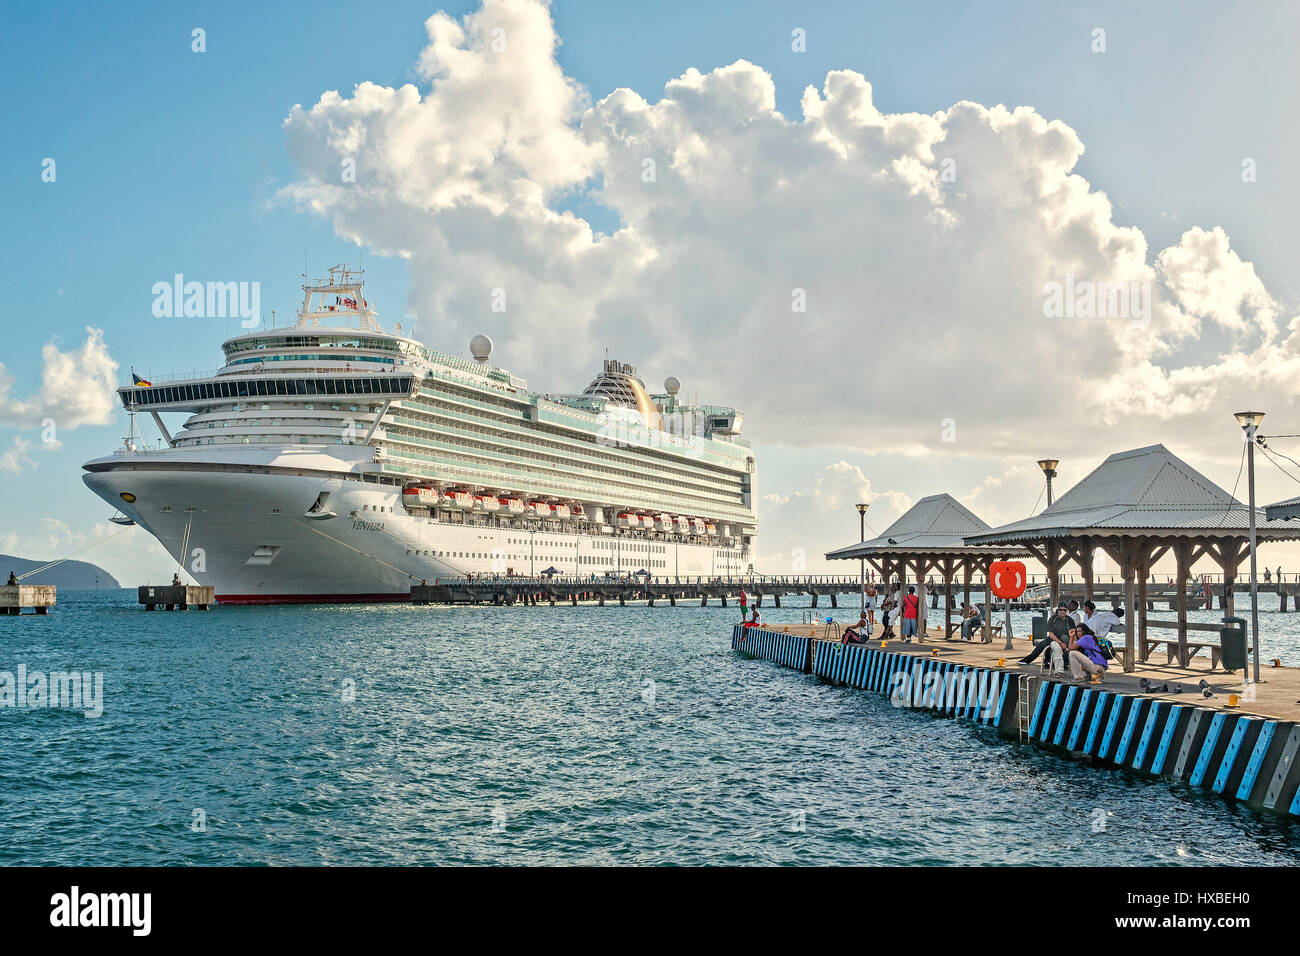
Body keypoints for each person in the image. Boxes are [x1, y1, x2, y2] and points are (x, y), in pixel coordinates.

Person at [1019, 603, 1072, 670]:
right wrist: (1060, 643)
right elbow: (1051, 634)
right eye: (1060, 610)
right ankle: (1030, 659)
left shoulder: (1070, 620)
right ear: (1058, 610)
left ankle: (1053, 662)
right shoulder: (1053, 619)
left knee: (1047, 642)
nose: (1062, 611)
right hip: (1054, 638)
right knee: (1043, 643)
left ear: (1067, 611)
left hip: (1066, 639)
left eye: (1064, 610)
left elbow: (1073, 633)